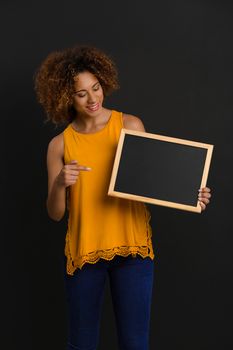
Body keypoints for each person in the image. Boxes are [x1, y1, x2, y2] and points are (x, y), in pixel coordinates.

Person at [34, 45, 212, 350]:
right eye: (81, 93)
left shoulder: (129, 125)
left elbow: (153, 181)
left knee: (134, 344)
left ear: (103, 83)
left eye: (96, 88)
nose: (93, 99)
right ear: (66, 96)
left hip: (133, 252)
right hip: (85, 252)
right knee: (81, 344)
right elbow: (55, 213)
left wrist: (190, 193)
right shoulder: (59, 145)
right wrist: (60, 184)